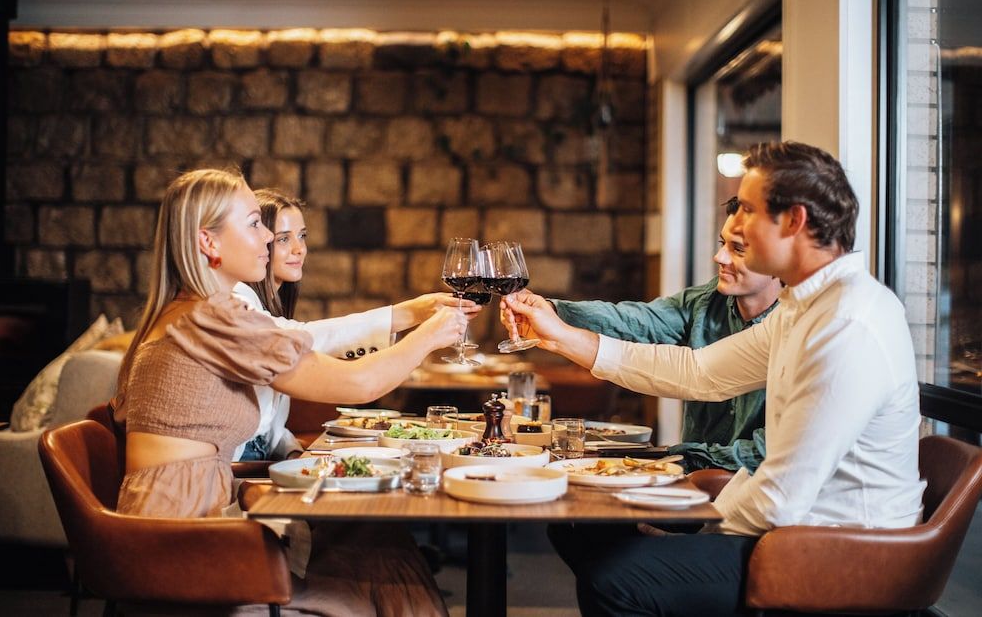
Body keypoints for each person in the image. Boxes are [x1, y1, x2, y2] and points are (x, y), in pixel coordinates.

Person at [504, 141, 925, 617]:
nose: (735, 227)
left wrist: (695, 529)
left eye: (747, 209)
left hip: (839, 556)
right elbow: (700, 372)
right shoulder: (804, 308)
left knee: (616, 582)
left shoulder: (848, 324)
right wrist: (560, 338)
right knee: (596, 533)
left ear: (795, 221)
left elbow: (780, 499)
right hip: (795, 531)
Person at [111, 168, 462, 615]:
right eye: (255, 224)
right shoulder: (210, 318)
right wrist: (430, 335)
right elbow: (359, 384)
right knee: (382, 571)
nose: (267, 240)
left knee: (383, 552)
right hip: (183, 546)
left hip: (188, 524)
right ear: (208, 242)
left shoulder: (187, 312)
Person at [526, 196, 780, 472]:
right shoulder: (706, 302)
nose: (719, 257)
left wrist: (684, 461)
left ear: (777, 256)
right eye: (722, 244)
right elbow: (638, 321)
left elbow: (772, 450)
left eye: (738, 249)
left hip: (756, 493)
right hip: (690, 479)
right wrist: (553, 311)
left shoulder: (790, 327)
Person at [232, 188, 479, 462]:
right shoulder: (235, 299)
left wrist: (291, 450)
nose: (299, 248)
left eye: (302, 236)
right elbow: (303, 339)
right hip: (238, 468)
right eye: (282, 239)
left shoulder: (264, 303)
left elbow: (268, 426)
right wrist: (411, 318)